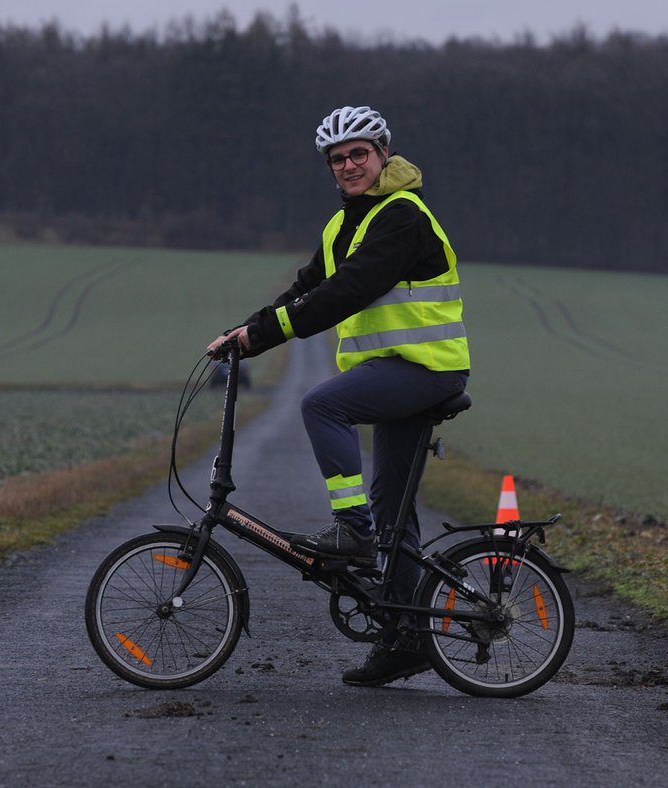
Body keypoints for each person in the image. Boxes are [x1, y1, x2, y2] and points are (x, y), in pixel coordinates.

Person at [207, 105, 470, 686]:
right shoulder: (341, 226)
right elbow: (305, 289)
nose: (348, 165)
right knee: (393, 510)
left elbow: (346, 292)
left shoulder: (402, 216)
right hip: (394, 374)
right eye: (337, 159)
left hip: (426, 370)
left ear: (382, 155)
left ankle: (350, 530)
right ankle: (406, 639)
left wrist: (265, 334)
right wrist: (243, 335)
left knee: (322, 403)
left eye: (359, 154)